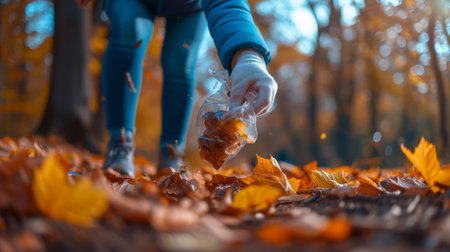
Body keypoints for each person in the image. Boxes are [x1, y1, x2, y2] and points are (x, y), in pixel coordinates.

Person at [76, 0, 278, 177]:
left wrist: (248, 56)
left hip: (188, 5)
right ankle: (119, 145)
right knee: (129, 32)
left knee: (180, 60)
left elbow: (227, 3)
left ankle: (171, 153)